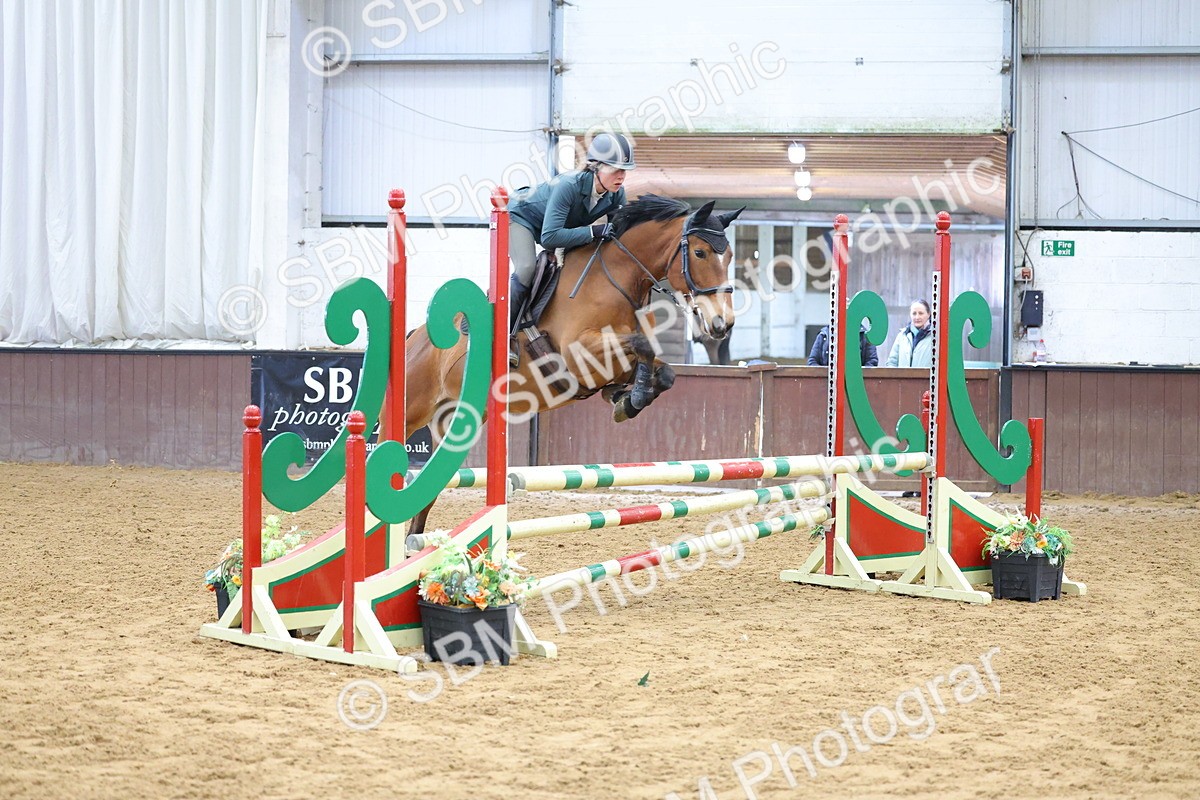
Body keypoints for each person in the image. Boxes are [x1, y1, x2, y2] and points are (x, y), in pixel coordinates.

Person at [505, 132, 637, 365]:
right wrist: (592, 232)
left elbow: (620, 236)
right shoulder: (569, 185)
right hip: (521, 217)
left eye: (624, 170)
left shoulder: (616, 194)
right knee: (526, 268)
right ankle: (506, 336)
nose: (621, 176)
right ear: (596, 167)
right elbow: (549, 237)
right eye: (615, 169)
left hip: (555, 226)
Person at [885, 300, 933, 367]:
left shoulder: (935, 336)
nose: (917, 317)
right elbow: (892, 362)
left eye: (921, 313)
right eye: (914, 313)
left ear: (928, 314)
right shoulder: (902, 336)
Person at [806, 325, 878, 367]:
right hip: (827, 385)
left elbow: (872, 361)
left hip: (856, 384)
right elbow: (812, 361)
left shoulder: (864, 335)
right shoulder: (824, 334)